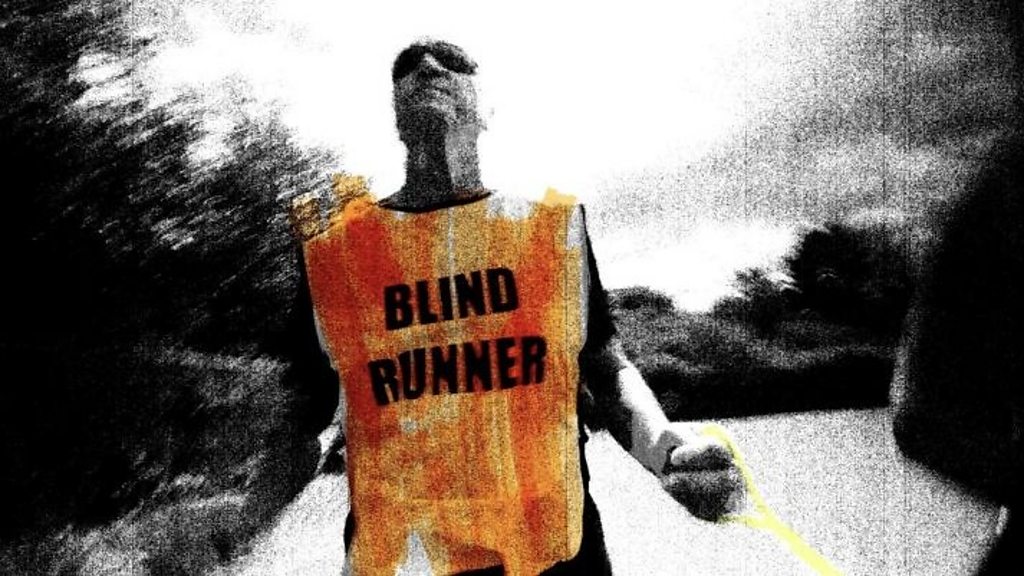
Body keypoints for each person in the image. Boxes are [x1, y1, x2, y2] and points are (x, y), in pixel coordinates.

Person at [287, 39, 742, 575]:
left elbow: (604, 368)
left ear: (486, 111)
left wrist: (669, 450)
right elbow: (302, 416)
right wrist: (248, 507)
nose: (427, 66)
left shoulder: (549, 232)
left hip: (557, 559)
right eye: (406, 67)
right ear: (395, 117)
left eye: (452, 62)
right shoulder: (336, 252)